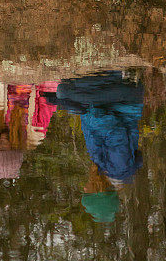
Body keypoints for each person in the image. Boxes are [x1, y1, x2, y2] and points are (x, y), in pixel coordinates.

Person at [45, 70, 144, 223]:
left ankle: (112, 76)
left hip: (106, 105)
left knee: (65, 91)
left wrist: (75, 109)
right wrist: (85, 111)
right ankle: (117, 74)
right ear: (99, 192)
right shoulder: (119, 167)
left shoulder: (103, 167)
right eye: (88, 192)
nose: (85, 188)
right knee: (64, 90)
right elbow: (115, 131)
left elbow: (94, 130)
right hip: (124, 100)